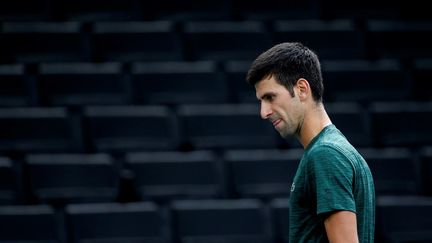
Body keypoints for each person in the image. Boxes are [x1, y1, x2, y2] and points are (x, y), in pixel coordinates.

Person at [246, 42, 375, 243]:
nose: (264, 112)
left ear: (302, 89)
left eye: (270, 97)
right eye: (261, 101)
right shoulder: (336, 149)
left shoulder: (326, 154)